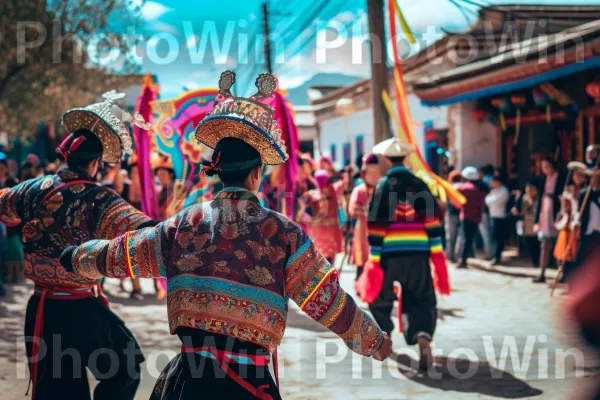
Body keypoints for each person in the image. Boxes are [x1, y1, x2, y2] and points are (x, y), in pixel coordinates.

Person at [59, 71, 392, 399]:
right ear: (257, 173)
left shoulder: (182, 225)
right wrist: (373, 341)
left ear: (217, 173)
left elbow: (121, 255)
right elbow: (327, 300)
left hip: (189, 383)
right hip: (248, 384)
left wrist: (76, 258)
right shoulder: (284, 234)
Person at [0, 91, 156, 400]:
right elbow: (147, 231)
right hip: (82, 306)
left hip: (42, 307)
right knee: (126, 367)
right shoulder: (99, 199)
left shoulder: (30, 189)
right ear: (96, 163)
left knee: (60, 392)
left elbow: (4, 207)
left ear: (65, 156)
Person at [366, 137, 446, 370]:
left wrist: (375, 256)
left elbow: (376, 223)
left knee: (380, 298)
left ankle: (384, 338)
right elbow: (432, 219)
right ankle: (422, 335)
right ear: (406, 158)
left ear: (387, 160)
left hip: (390, 253)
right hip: (418, 252)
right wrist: (436, 252)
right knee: (421, 296)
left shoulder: (384, 185)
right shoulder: (420, 184)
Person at [298, 169, 344, 264]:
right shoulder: (333, 191)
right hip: (332, 232)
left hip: (318, 233)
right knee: (331, 262)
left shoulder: (313, 194)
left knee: (321, 264)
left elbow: (301, 209)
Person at [349, 153, 381, 279]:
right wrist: (369, 210)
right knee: (362, 259)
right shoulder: (359, 190)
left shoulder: (382, 189)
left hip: (379, 230)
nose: (374, 176)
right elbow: (352, 209)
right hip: (362, 230)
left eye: (376, 172)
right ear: (364, 173)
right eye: (370, 172)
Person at [554, 162, 588, 281]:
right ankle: (565, 274)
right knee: (563, 250)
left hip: (578, 223)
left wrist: (574, 197)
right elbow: (564, 209)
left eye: (579, 175)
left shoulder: (585, 190)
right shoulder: (569, 189)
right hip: (568, 223)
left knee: (574, 250)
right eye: (575, 175)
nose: (576, 177)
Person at [534, 157, 566, 283]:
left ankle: (562, 273)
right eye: (543, 167)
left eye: (547, 166)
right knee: (545, 244)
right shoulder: (542, 180)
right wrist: (537, 220)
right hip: (545, 213)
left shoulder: (561, 179)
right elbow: (539, 201)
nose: (545, 169)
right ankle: (542, 273)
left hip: (557, 214)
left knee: (560, 245)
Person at [456, 166, 487, 269]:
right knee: (469, 239)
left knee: (465, 239)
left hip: (466, 216)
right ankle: (465, 258)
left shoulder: (464, 188)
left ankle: (463, 260)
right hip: (476, 216)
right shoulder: (481, 188)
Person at [512, 182, 540, 267]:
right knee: (529, 243)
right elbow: (517, 209)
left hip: (537, 224)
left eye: (532, 189)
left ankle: (539, 261)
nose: (530, 191)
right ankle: (534, 261)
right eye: (528, 189)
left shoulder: (539, 199)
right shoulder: (523, 198)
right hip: (526, 224)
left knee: (537, 243)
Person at [486, 175, 510, 265]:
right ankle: (495, 256)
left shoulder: (503, 190)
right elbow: (487, 200)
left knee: (499, 238)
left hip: (500, 217)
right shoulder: (494, 191)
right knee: (494, 236)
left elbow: (493, 200)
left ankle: (497, 256)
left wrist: (490, 199)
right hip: (493, 215)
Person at [445, 170, 463, 263]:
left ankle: (449, 255)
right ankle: (458, 256)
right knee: (460, 236)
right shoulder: (462, 187)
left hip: (451, 213)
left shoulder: (450, 188)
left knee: (451, 236)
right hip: (461, 213)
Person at [478, 164, 495, 259]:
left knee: (486, 232)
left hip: (485, 209)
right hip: (492, 209)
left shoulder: (484, 182)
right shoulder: (492, 179)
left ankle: (489, 253)